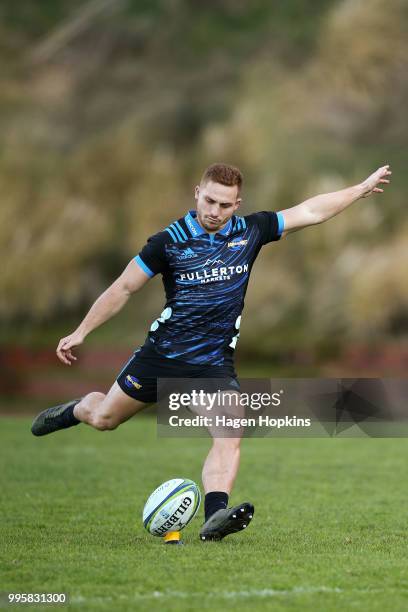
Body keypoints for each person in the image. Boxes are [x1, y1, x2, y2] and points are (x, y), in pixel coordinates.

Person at [31, 162, 391, 540]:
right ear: (197, 194)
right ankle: (75, 410)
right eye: (210, 201)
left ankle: (215, 517)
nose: (215, 211)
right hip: (163, 354)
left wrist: (360, 190)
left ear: (238, 204)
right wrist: (81, 331)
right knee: (105, 417)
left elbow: (310, 211)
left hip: (212, 364)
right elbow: (124, 287)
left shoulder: (251, 231)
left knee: (229, 433)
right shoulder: (167, 242)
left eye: (225, 205)